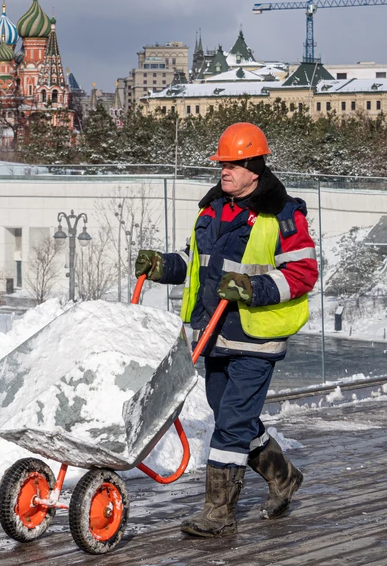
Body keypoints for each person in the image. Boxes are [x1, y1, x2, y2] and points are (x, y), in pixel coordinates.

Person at [135, 122, 318, 538]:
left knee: (232, 422)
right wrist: (164, 265)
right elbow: (196, 259)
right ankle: (284, 475)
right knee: (231, 413)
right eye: (222, 164)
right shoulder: (213, 209)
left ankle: (218, 513)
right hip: (213, 332)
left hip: (256, 335)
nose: (224, 171)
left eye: (233, 164)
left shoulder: (283, 214)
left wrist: (255, 288)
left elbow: (304, 272)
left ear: (255, 166)